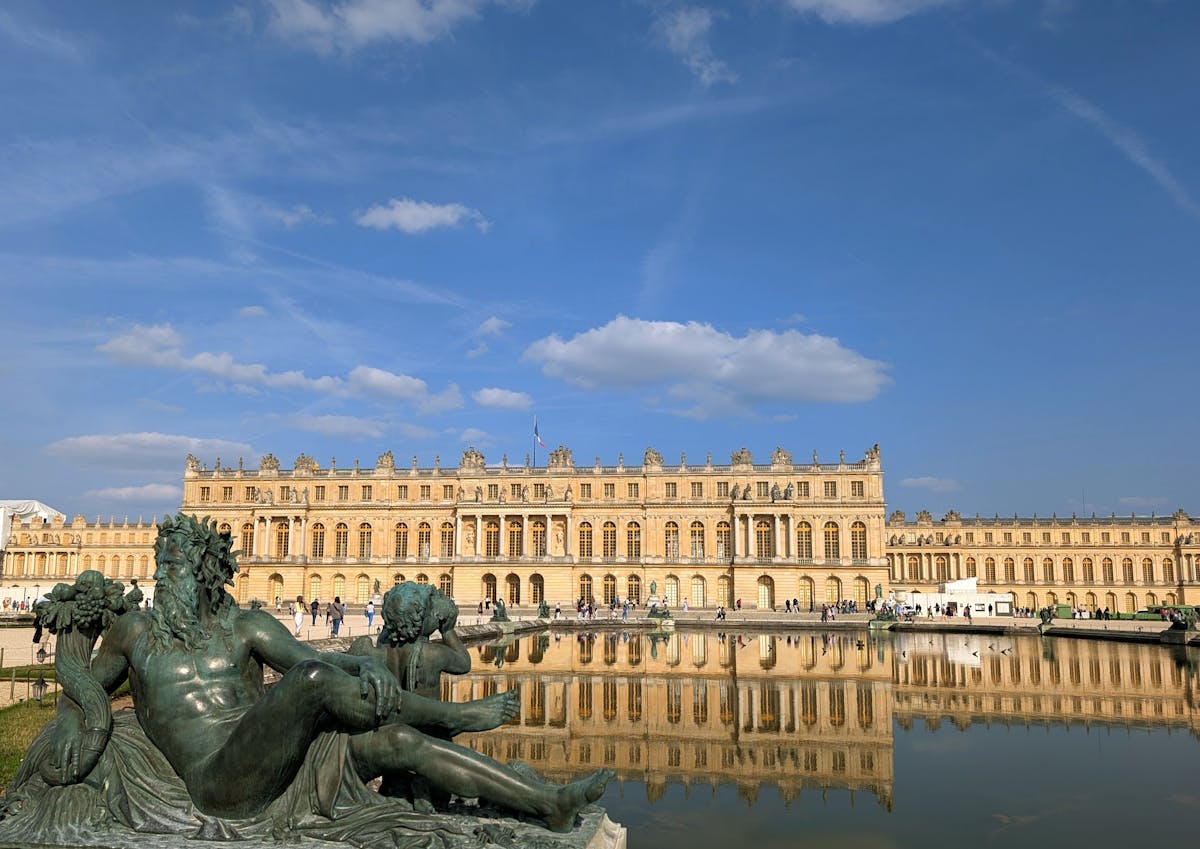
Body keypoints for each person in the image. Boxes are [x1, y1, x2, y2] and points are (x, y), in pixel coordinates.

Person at [25, 514, 611, 837]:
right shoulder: (135, 631)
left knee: (400, 742)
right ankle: (458, 717)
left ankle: (547, 803)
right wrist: (78, 691)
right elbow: (85, 687)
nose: (161, 574)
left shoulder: (246, 625)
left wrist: (360, 664)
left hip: (276, 752)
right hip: (219, 782)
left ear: (204, 570)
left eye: (173, 564)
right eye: (159, 564)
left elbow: (321, 657)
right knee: (307, 681)